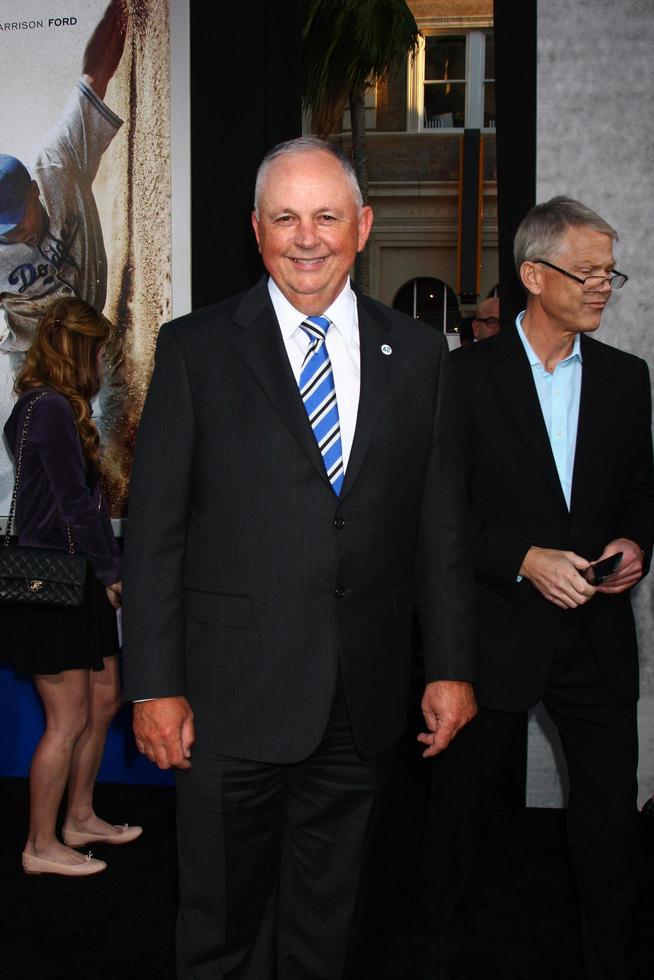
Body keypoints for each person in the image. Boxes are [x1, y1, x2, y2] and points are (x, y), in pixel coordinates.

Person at [121, 136, 477, 979]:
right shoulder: (195, 350)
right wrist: (155, 685)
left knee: (328, 927)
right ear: (256, 229)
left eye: (325, 216)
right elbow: (155, 533)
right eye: (285, 217)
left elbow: (441, 529)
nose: (306, 237)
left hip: (363, 705)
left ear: (363, 225)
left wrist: (452, 667)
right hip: (225, 701)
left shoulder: (420, 356)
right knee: (221, 931)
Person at [411, 196, 654, 980]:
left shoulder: (626, 378)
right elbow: (438, 517)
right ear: (532, 276)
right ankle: (437, 955)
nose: (601, 286)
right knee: (460, 824)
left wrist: (635, 542)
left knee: (610, 824)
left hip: (597, 638)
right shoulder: (460, 378)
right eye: (585, 272)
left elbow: (640, 493)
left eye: (607, 272)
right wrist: (523, 557)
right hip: (493, 636)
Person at [1, 297, 141, 877]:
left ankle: (79, 816)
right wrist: (114, 573)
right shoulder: (50, 408)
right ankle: (40, 845)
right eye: (101, 349)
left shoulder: (45, 406)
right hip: (53, 580)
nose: (104, 361)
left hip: (72, 575)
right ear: (82, 349)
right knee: (67, 721)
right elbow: (75, 506)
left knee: (104, 701)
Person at [0, 0, 127, 507]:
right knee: (39, 475)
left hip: (95, 342)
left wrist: (125, 9)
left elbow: (93, 77)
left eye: (17, 223)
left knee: (113, 454)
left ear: (33, 191)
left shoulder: (58, 165)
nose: (13, 238)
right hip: (34, 362)